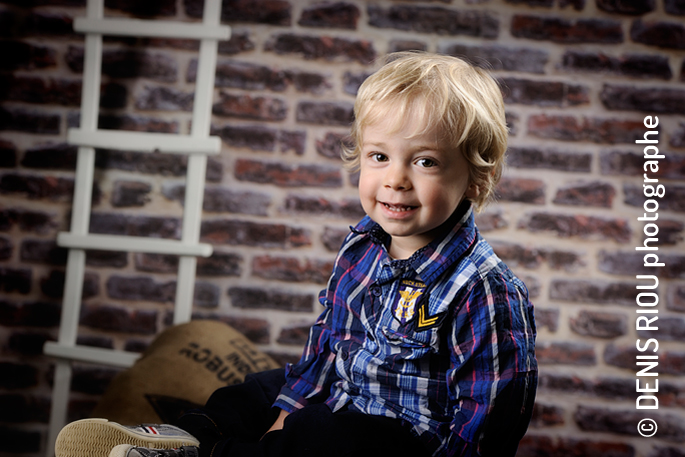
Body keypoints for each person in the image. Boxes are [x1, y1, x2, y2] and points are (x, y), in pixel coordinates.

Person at [55, 51, 537, 457]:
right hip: (343, 399)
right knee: (251, 393)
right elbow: (328, 351)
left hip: (402, 440)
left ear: (476, 177)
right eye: (379, 156)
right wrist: (282, 413)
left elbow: (487, 423)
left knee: (318, 436)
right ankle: (183, 441)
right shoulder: (362, 250)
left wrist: (296, 429)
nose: (396, 178)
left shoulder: (484, 290)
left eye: (425, 161)